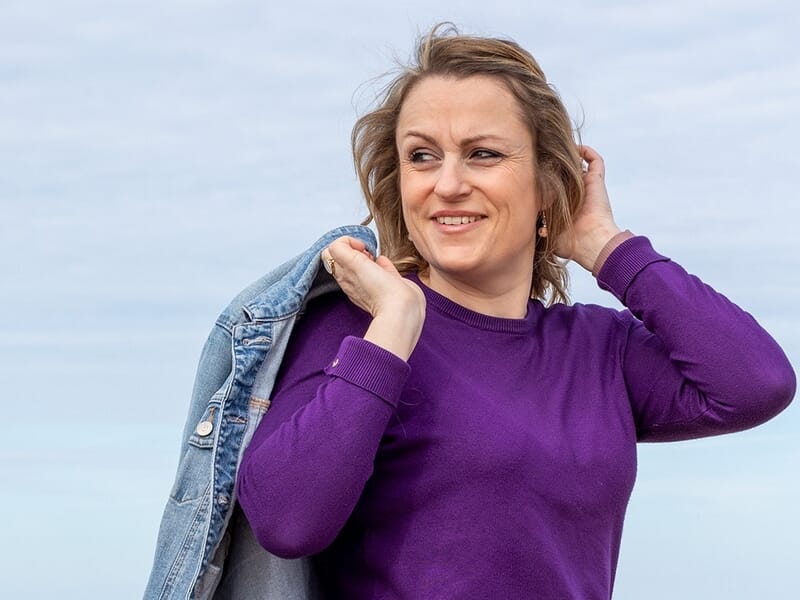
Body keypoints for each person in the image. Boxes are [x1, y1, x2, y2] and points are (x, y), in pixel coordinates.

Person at [233, 25, 795, 599]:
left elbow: (757, 384)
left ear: (548, 182)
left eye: (483, 154)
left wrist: (606, 246)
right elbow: (286, 522)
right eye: (422, 156)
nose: (448, 184)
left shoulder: (601, 351)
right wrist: (396, 325)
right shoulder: (359, 331)